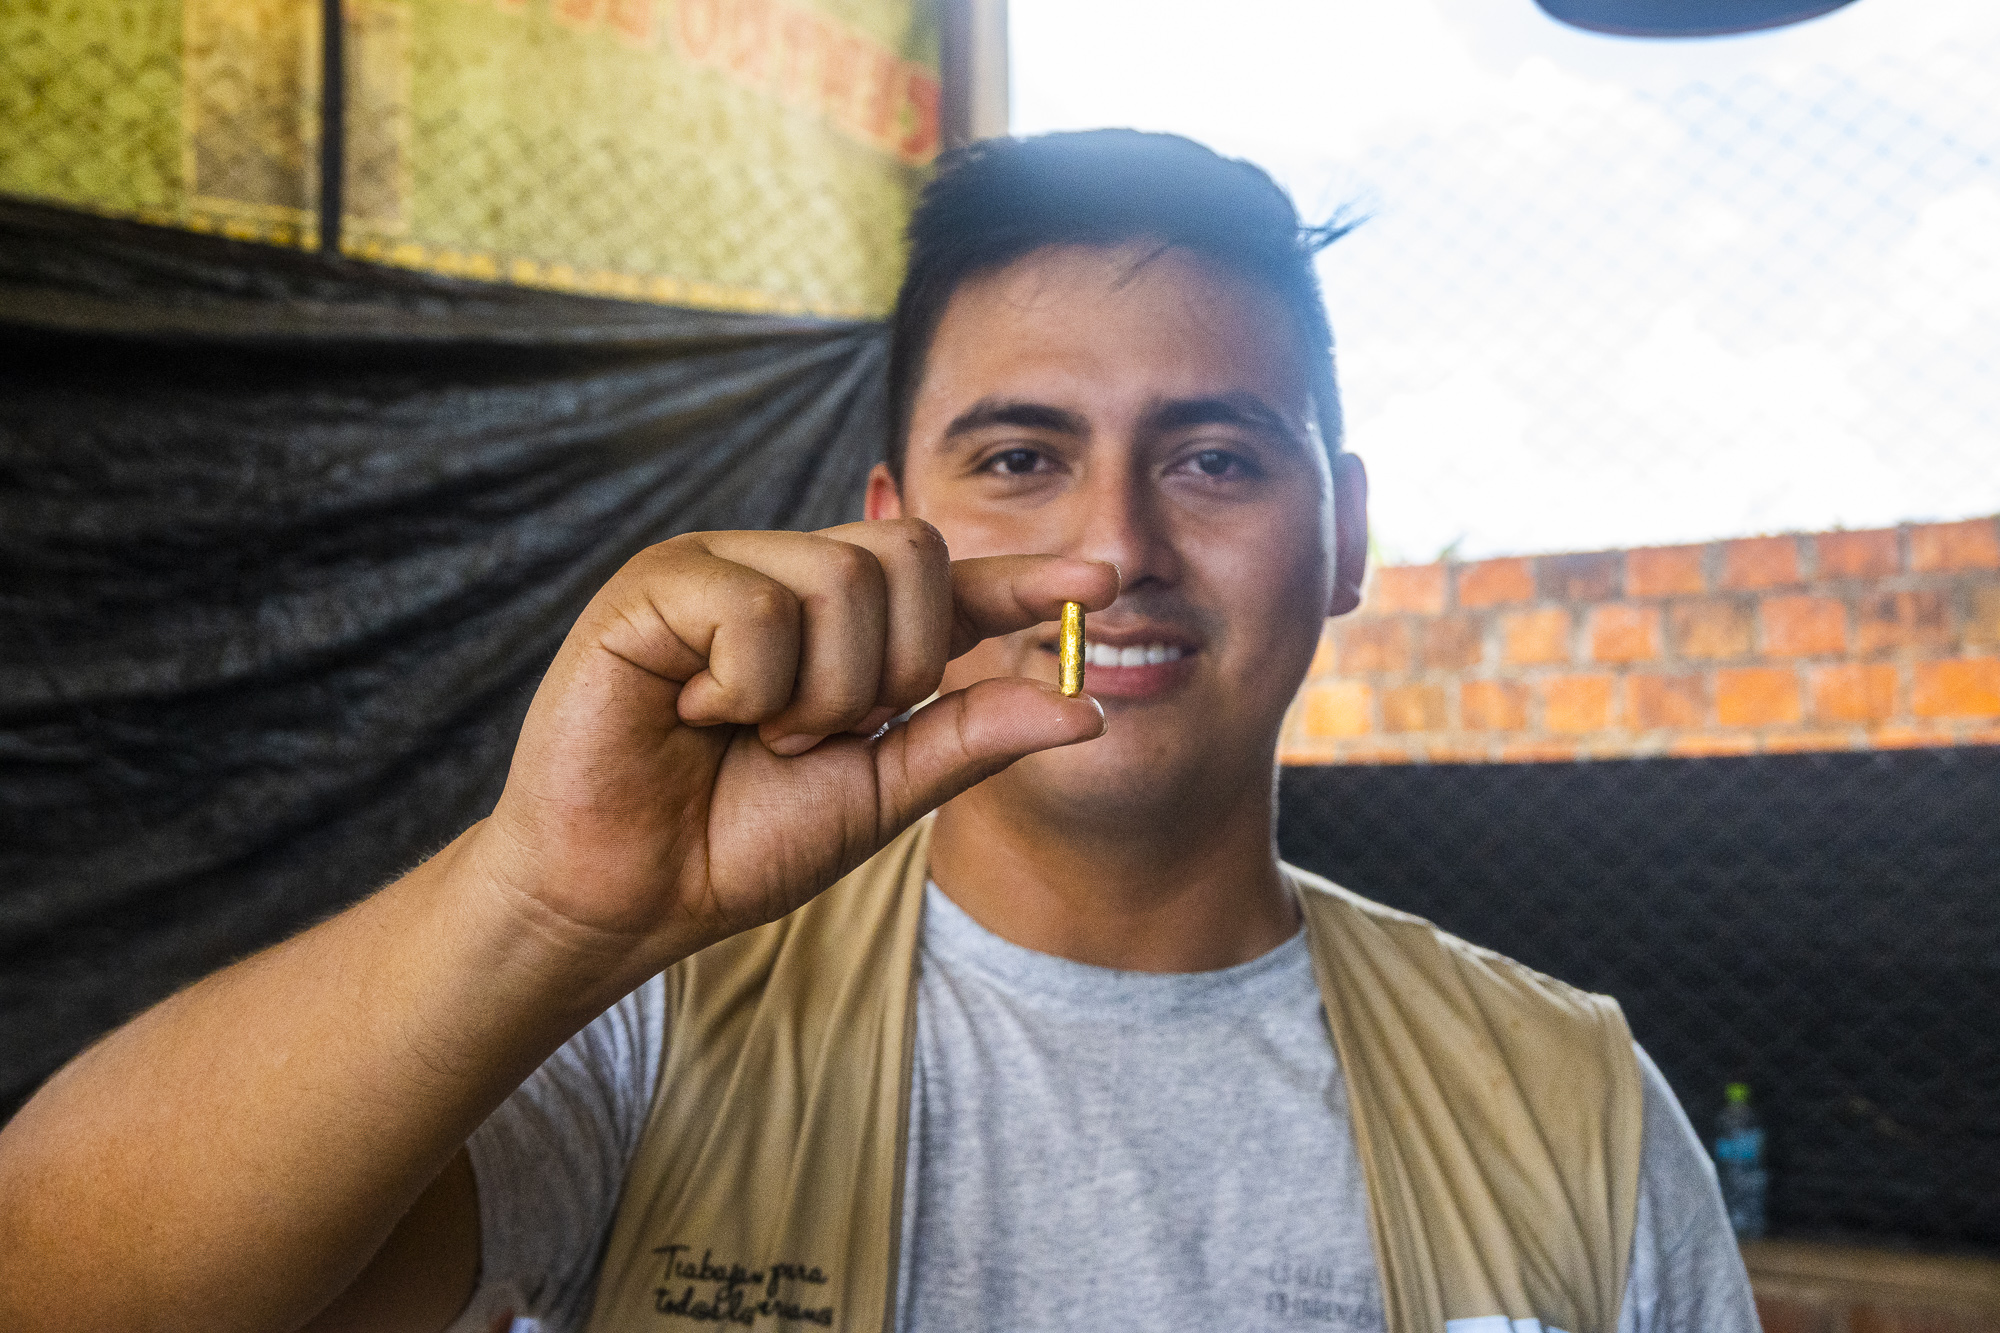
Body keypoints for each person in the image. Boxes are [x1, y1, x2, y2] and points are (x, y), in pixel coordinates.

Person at [0, 131, 1756, 1333]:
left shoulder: (1568, 1097)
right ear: (889, 520)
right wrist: (546, 902)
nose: (1117, 550)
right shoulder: (656, 1015)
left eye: (1216, 456)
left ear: (1346, 533)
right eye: (1020, 458)